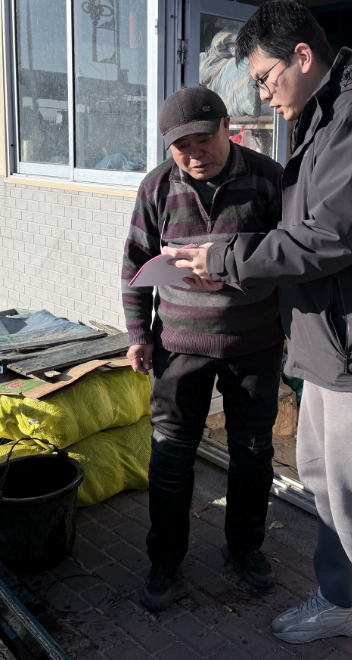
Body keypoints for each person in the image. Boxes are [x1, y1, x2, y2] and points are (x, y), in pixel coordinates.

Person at [166, 0, 352, 660]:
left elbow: (331, 237)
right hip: (332, 349)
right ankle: (344, 603)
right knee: (325, 482)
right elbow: (306, 232)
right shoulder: (327, 116)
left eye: (266, 78)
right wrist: (227, 256)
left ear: (302, 56)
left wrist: (227, 260)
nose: (264, 95)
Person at [121, 85, 285, 612]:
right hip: (178, 347)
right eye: (181, 147)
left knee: (252, 452)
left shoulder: (268, 179)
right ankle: (165, 560)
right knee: (170, 455)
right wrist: (138, 335)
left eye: (203, 141)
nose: (195, 155)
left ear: (227, 127)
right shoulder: (156, 188)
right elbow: (135, 265)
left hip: (254, 344)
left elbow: (292, 257)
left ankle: (245, 549)